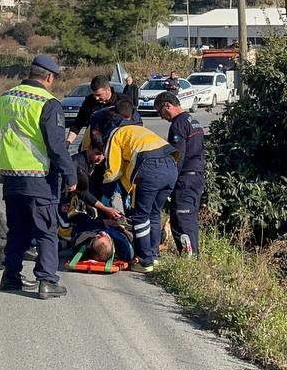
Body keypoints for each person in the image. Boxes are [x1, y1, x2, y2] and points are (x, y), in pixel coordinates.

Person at [0, 53, 77, 299]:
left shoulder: (6, 98)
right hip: (39, 177)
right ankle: (47, 280)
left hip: (11, 177)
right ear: (49, 77)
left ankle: (10, 277)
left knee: (17, 229)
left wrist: (1, 165)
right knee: (46, 230)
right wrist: (70, 176)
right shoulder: (48, 103)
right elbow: (57, 146)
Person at [90, 100, 178, 272]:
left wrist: (105, 195)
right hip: (171, 166)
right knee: (153, 212)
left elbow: (114, 171)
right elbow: (127, 167)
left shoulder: (116, 134)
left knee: (140, 216)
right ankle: (153, 256)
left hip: (150, 168)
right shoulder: (139, 130)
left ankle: (144, 261)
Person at [155, 91, 205, 257]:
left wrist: (169, 183)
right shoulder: (193, 121)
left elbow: (178, 157)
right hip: (196, 176)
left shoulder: (178, 125)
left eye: (161, 112)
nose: (163, 117)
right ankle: (194, 256)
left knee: (181, 219)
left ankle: (189, 257)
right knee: (189, 218)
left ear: (168, 105)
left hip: (185, 179)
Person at [67, 75, 122, 144]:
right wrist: (68, 142)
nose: (96, 98)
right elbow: (78, 123)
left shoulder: (122, 102)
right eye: (94, 95)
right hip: (92, 145)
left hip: (116, 144)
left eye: (99, 95)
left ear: (108, 89)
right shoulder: (89, 101)